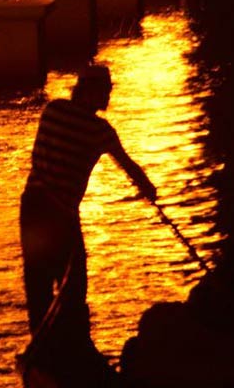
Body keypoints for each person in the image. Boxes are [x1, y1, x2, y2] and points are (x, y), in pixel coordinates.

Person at [19, 64, 157, 341]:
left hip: (33, 207)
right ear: (90, 91)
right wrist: (149, 190)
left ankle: (42, 342)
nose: (109, 96)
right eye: (105, 90)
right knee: (74, 286)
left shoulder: (52, 111)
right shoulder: (101, 131)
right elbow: (129, 167)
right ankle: (73, 344)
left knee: (38, 284)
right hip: (60, 215)